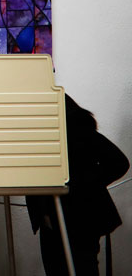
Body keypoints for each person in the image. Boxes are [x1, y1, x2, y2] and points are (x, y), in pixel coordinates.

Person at [26, 95, 129, 276]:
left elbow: (119, 162)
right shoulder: (49, 135)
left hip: (80, 218)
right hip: (55, 220)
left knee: (81, 268)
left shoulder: (78, 131)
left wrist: (80, 186)